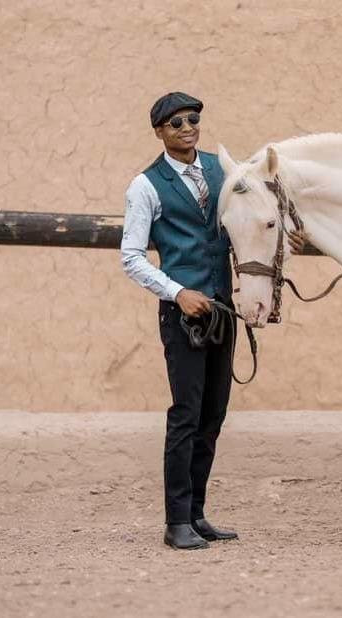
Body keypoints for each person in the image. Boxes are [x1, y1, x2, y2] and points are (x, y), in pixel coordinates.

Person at [121, 91, 238, 550]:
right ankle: (176, 522)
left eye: (192, 119)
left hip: (223, 311)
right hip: (184, 314)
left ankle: (197, 514)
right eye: (176, 123)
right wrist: (177, 291)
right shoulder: (145, 185)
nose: (187, 127)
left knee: (214, 415)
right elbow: (131, 257)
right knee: (186, 415)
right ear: (160, 132)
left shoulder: (222, 170)